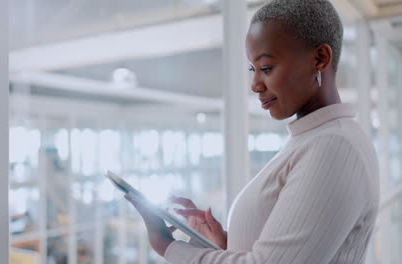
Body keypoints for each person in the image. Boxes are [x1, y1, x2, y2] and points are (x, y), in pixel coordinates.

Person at [125, 0, 380, 263]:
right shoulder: (314, 139)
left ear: (319, 59)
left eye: (266, 68)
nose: (255, 85)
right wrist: (224, 243)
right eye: (252, 69)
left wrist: (167, 246)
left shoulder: (333, 148)